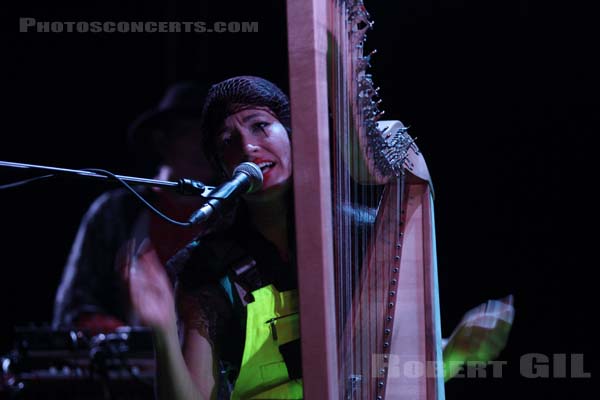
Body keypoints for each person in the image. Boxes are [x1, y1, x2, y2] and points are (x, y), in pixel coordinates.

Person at [127, 76, 514, 399]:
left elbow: (390, 376)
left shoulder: (366, 236)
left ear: (293, 134)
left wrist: (453, 355)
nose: (248, 147)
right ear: (222, 167)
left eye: (260, 126)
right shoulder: (206, 268)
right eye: (229, 141)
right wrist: (162, 329)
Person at [52, 81, 218, 333]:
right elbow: (74, 306)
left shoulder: (231, 215)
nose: (201, 145)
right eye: (189, 132)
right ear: (162, 141)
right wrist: (128, 339)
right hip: (128, 365)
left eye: (209, 135)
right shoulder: (115, 212)